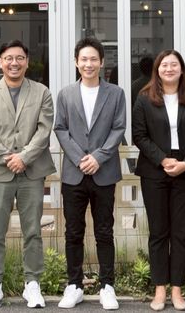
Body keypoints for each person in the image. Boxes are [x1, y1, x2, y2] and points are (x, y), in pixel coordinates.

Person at [0, 39, 56, 309]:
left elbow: (44, 129)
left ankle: (32, 283)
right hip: (0, 171)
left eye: (19, 58)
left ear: (27, 62)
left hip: (32, 171)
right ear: (0, 62)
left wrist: (24, 157)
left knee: (33, 230)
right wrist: (7, 158)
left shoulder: (41, 92)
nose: (14, 63)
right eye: (9, 58)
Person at [132, 50, 185, 311]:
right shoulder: (144, 98)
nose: (169, 69)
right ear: (157, 70)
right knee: (158, 231)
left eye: (174, 64)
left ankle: (177, 290)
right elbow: (139, 136)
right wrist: (163, 160)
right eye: (164, 65)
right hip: (155, 170)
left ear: (182, 69)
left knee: (181, 232)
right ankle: (159, 290)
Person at [54, 38, 125, 310]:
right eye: (83, 59)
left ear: (102, 62)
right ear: (76, 62)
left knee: (104, 231)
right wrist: (79, 158)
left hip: (103, 172)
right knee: (73, 231)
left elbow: (118, 128)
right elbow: (60, 129)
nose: (88, 64)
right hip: (74, 174)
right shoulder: (66, 94)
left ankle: (107, 286)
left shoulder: (115, 93)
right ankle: (74, 285)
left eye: (94, 59)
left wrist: (98, 157)